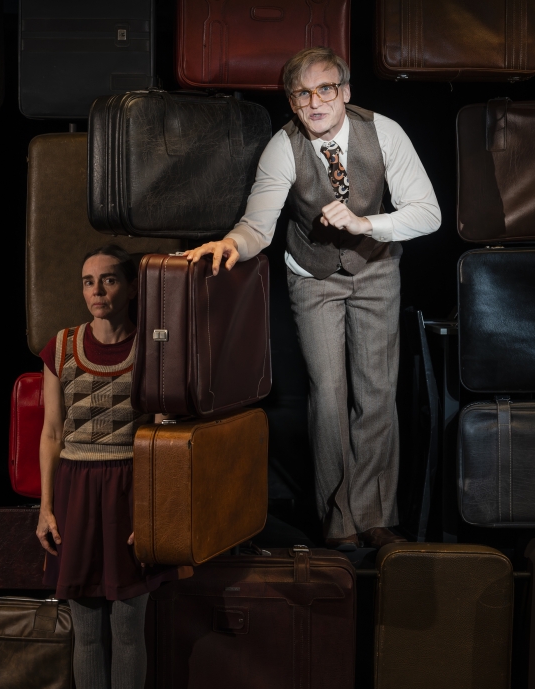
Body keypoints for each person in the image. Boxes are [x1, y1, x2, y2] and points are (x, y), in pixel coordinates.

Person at [186, 47, 441, 550]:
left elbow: (427, 213)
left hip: (375, 268)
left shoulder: (384, 132)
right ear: (292, 102)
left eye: (326, 89)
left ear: (345, 92)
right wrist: (231, 244)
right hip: (313, 274)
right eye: (303, 94)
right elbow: (258, 225)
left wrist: (366, 223)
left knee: (376, 394)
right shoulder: (282, 147)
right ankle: (339, 520)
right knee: (328, 394)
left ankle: (375, 516)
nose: (316, 102)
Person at [35, 244, 190, 689]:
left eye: (108, 279)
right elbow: (51, 433)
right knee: (85, 631)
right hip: (77, 492)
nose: (97, 291)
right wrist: (45, 508)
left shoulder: (153, 349)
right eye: (88, 281)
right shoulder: (61, 347)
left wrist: (154, 513)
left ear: (132, 287)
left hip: (129, 491)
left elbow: (163, 438)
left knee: (127, 627)